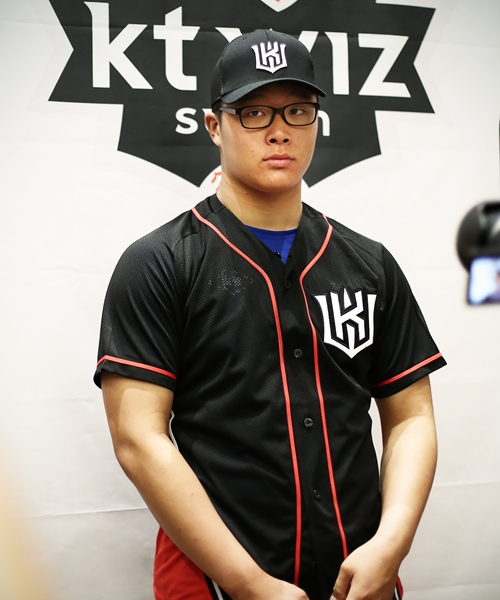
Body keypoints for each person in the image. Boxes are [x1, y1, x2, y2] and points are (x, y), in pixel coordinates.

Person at [94, 29, 446, 600]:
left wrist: (391, 544)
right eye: (253, 112)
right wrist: (249, 583)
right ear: (215, 126)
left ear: (316, 122)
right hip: (215, 579)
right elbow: (138, 438)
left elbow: (411, 417)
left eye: (297, 110)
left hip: (356, 573)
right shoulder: (160, 261)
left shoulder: (368, 263)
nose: (279, 130)